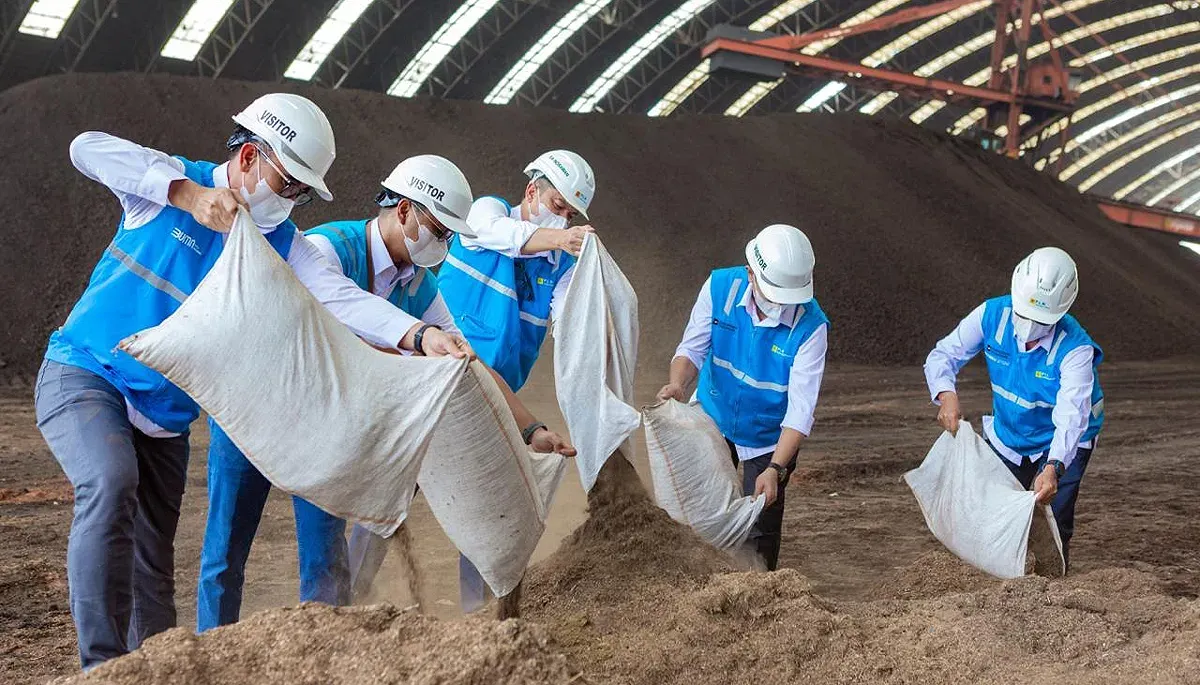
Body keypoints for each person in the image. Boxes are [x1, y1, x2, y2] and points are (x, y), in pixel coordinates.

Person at [34, 93, 468, 669]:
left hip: (164, 416)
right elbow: (84, 147)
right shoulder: (164, 188)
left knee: (153, 565)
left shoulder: (282, 245)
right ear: (247, 158)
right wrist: (185, 196)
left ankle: (157, 671)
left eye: (301, 193)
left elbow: (342, 299)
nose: (292, 201)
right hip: (85, 373)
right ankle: (101, 668)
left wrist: (418, 337)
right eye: (287, 184)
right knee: (112, 483)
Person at [196, 154, 575, 622]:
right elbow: (327, 313)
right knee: (225, 555)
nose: (445, 244)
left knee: (327, 567)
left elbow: (467, 363)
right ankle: (208, 657)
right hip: (255, 405)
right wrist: (411, 343)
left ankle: (321, 662)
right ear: (404, 211)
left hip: (323, 430)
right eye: (439, 231)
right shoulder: (328, 248)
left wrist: (530, 428)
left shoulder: (421, 286)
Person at [422, 150, 595, 612]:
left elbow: (569, 318)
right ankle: (349, 604)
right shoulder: (486, 212)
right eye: (556, 204)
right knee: (393, 493)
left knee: (486, 510)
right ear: (530, 191)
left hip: (489, 400)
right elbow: (502, 235)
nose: (562, 217)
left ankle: (480, 622)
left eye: (569, 213)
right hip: (425, 381)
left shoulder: (562, 267)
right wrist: (560, 236)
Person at [657, 224, 829, 572]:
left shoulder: (812, 327)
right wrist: (678, 385)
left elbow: (800, 410)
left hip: (768, 438)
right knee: (698, 507)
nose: (782, 306)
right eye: (775, 295)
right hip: (714, 414)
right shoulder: (720, 287)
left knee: (761, 525)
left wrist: (775, 468)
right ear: (751, 273)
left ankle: (760, 593)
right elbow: (692, 348)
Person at [924, 247, 1104, 569]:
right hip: (1008, 432)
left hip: (1063, 442)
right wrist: (946, 395)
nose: (1029, 326)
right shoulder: (991, 315)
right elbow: (943, 355)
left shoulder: (1076, 349)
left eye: (1040, 320)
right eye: (1023, 313)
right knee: (990, 508)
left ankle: (1050, 582)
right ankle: (995, 574)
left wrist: (1053, 467)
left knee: (1051, 518)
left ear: (1061, 312)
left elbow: (1071, 417)